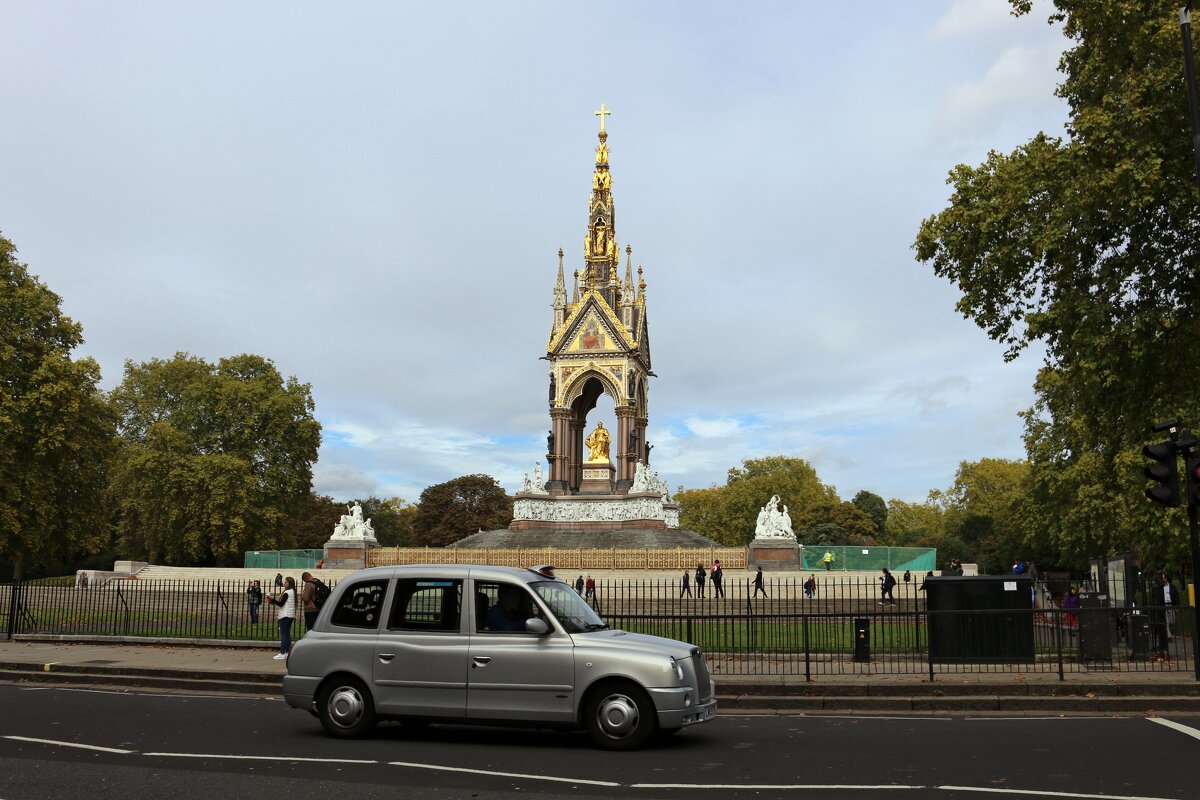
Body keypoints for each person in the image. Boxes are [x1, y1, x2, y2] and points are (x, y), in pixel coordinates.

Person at [265, 576, 297, 659]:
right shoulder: (292, 591)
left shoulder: (287, 592)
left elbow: (281, 604)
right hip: (290, 615)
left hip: (285, 615)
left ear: (290, 583)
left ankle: (283, 652)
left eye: (286, 582)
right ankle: (286, 652)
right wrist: (272, 600)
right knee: (287, 634)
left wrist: (271, 599)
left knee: (284, 635)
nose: (284, 583)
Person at [1153, 572, 1180, 661]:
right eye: (1162, 578)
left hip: (1170, 605)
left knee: (1171, 621)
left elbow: (1176, 596)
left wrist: (1176, 607)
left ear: (1166, 579)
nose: (1162, 579)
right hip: (1163, 606)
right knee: (1166, 622)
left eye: (1163, 578)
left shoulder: (1171, 587)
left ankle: (1167, 633)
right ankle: (1168, 636)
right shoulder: (1159, 587)